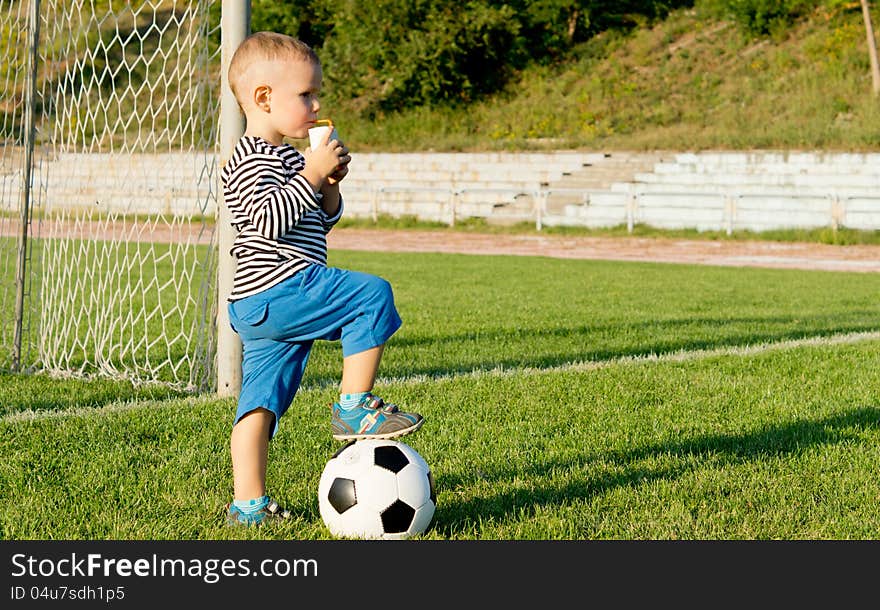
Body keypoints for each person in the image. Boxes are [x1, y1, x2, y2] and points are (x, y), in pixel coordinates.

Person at [220, 31, 424, 526]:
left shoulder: (292, 159)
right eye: (306, 95)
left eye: (317, 94)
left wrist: (328, 187)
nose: (316, 105)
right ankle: (354, 406)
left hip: (265, 308)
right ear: (264, 98)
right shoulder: (245, 159)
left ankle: (248, 506)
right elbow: (268, 219)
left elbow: (318, 221)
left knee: (260, 404)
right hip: (279, 288)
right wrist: (311, 176)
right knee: (371, 295)